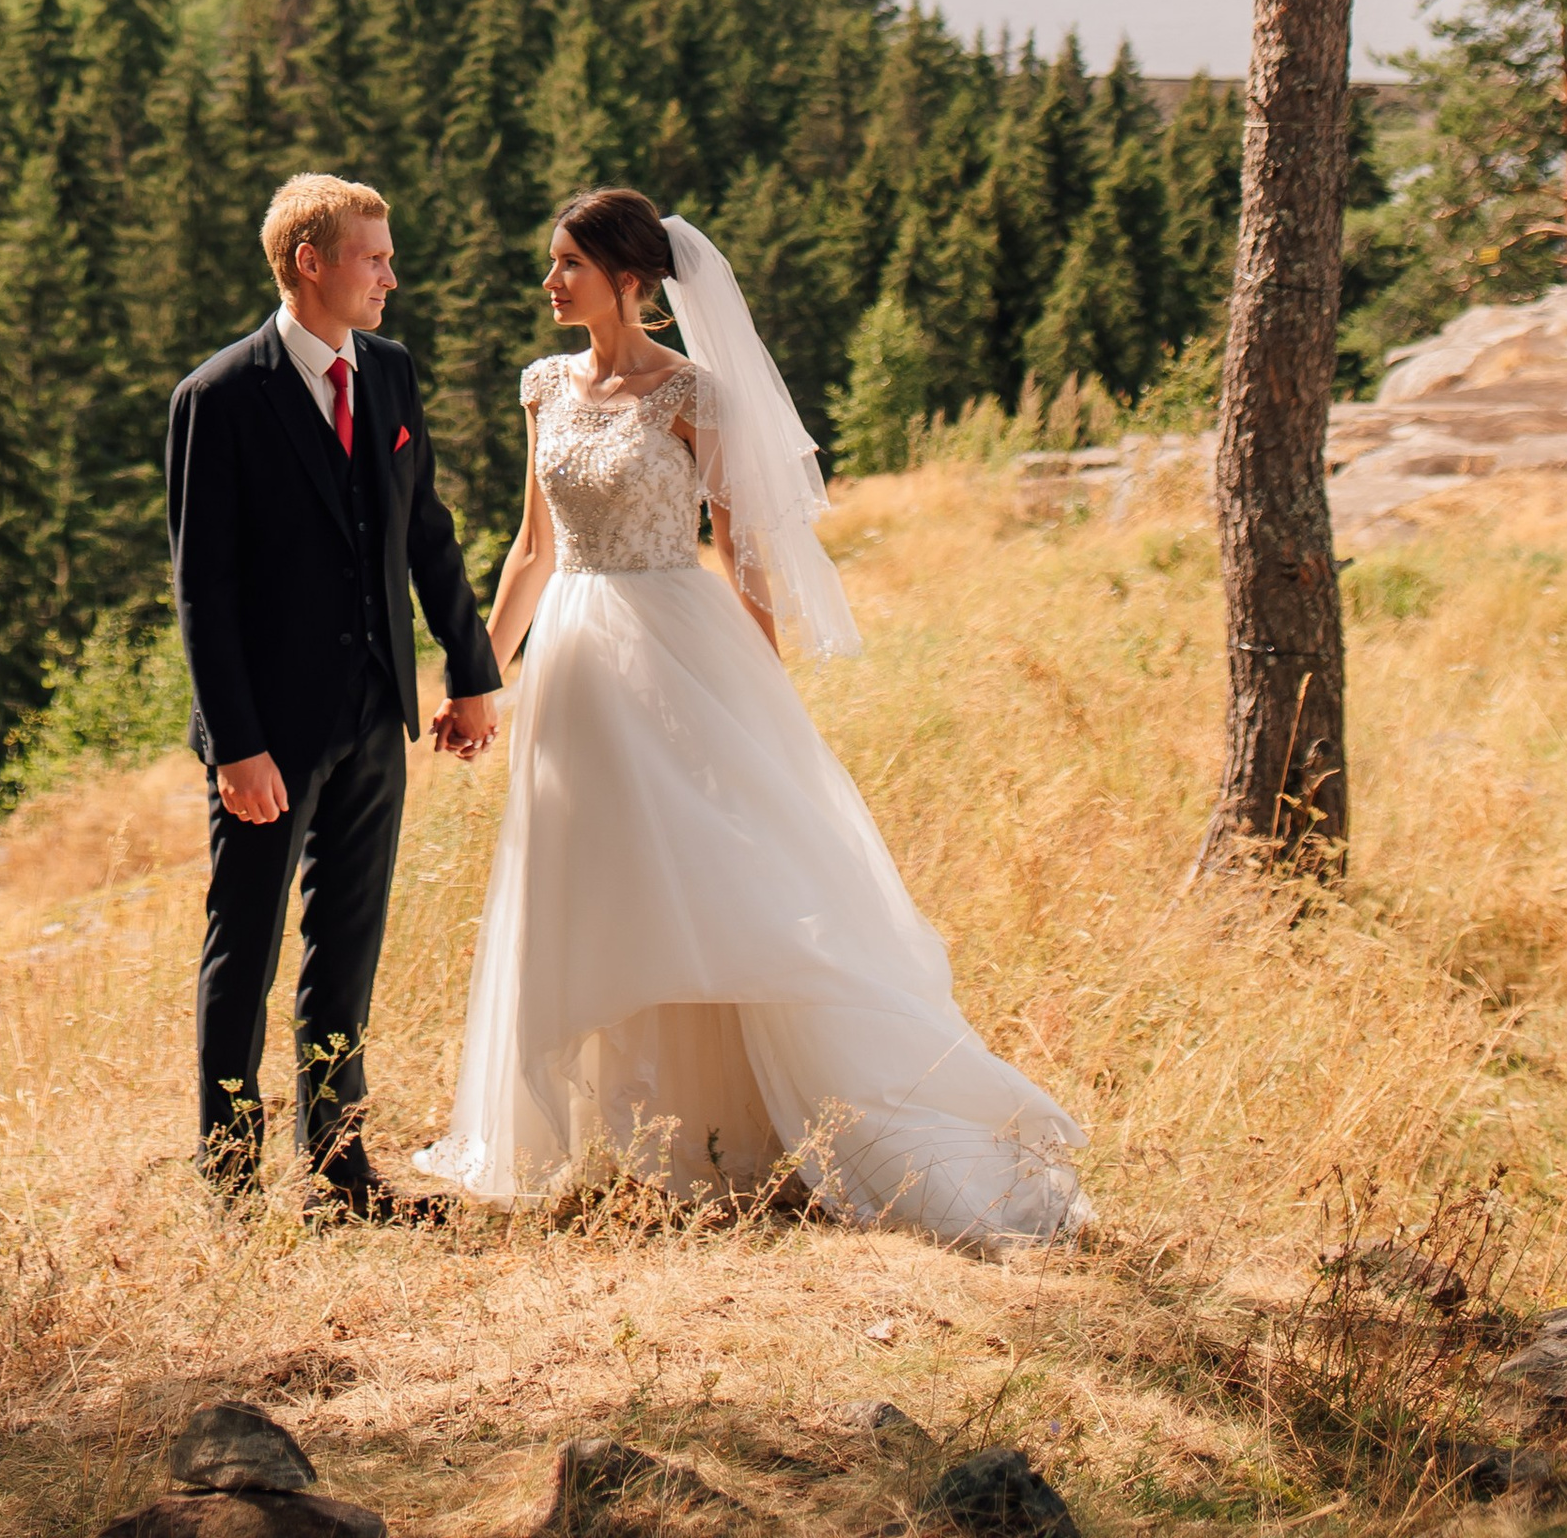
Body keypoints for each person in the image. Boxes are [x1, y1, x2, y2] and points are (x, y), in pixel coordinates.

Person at [415, 185, 1090, 1247]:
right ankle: (622, 1136)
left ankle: (751, 1129)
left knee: (717, 879)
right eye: (550, 264)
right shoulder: (541, 385)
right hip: (572, 665)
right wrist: (476, 677)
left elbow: (745, 551)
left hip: (675, 647)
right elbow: (532, 549)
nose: (549, 282)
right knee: (591, 881)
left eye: (568, 265)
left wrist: (756, 686)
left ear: (630, 279)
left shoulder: (695, 392)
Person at [165, 170, 502, 1213]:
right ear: (309, 262)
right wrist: (236, 743)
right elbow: (201, 589)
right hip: (267, 733)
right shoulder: (218, 396)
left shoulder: (390, 374)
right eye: (374, 257)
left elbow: (426, 532)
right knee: (245, 945)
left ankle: (340, 1166)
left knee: (346, 945)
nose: (390, 277)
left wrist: (471, 666)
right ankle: (228, 1179)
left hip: (373, 712)